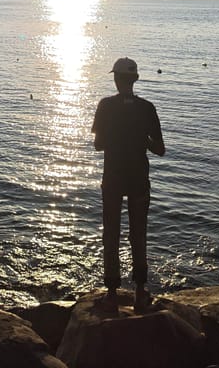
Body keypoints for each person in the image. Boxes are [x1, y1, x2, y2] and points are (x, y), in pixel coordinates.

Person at [91, 57, 165, 312]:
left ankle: (111, 293)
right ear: (135, 79)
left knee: (111, 234)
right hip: (138, 179)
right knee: (139, 234)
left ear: (115, 79)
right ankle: (140, 292)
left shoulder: (105, 105)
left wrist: (115, 137)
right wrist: (141, 140)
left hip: (112, 178)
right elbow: (160, 149)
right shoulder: (147, 108)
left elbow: (98, 145)